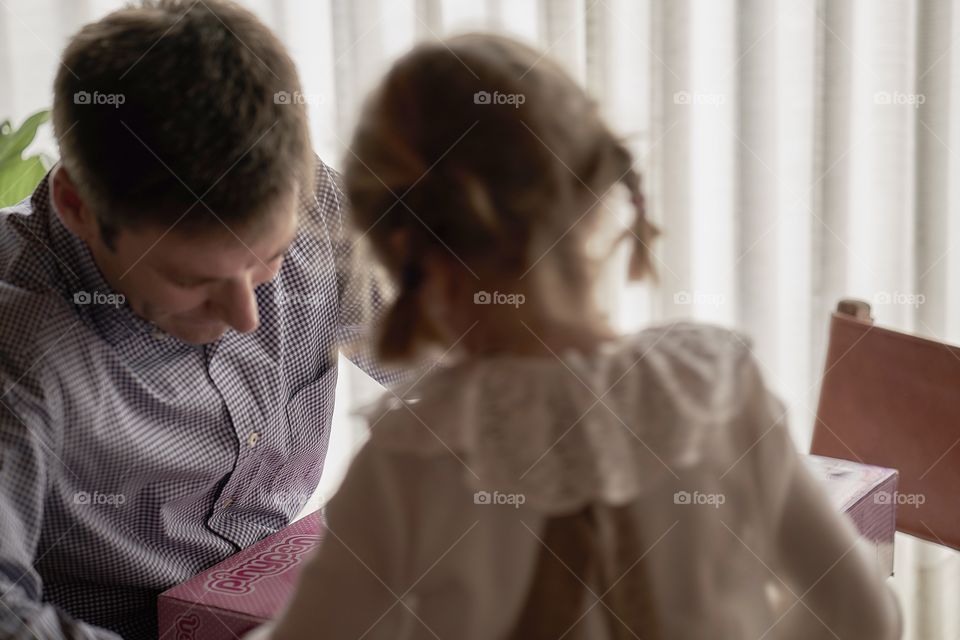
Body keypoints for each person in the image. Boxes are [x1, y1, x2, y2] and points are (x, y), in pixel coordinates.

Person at [253, 33, 902, 640]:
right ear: (599, 201)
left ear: (395, 252)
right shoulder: (718, 391)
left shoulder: (411, 456)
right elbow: (864, 615)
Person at [0, 2, 401, 638]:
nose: (245, 315)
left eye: (269, 260)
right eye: (192, 281)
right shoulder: (15, 342)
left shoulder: (309, 200)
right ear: (76, 204)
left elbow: (457, 362)